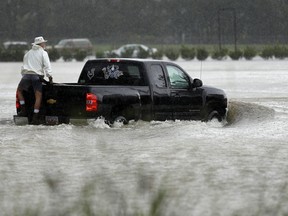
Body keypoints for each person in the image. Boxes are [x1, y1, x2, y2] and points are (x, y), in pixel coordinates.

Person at [17, 36, 53, 124]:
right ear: (41, 44)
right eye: (44, 43)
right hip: (36, 77)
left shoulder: (28, 53)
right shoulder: (43, 53)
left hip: (26, 76)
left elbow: (23, 67)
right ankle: (35, 117)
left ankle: (23, 109)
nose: (45, 44)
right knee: (38, 97)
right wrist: (50, 77)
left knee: (19, 91)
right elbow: (47, 66)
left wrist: (24, 76)